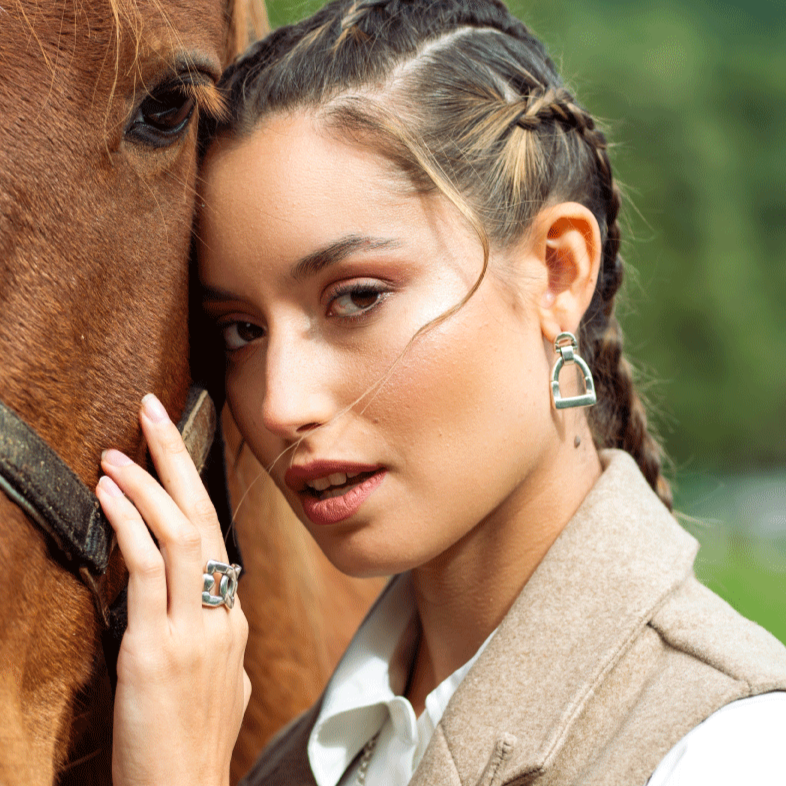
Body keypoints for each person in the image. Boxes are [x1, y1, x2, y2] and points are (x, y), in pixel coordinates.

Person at [95, 1, 786, 784]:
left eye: (356, 297)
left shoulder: (731, 747)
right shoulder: (298, 763)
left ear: (558, 273)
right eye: (241, 331)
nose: (281, 404)